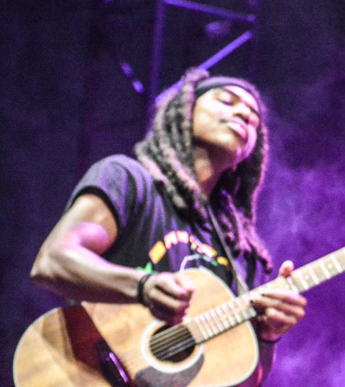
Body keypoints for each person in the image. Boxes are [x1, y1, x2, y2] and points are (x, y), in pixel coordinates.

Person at [30, 67, 306, 384]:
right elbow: (52, 262)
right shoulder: (128, 180)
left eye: (254, 119)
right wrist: (143, 287)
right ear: (185, 111)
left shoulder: (242, 252)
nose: (244, 114)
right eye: (227, 101)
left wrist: (269, 336)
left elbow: (245, 379)